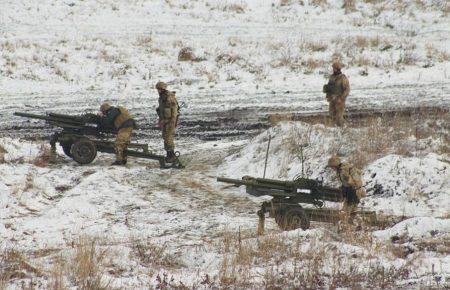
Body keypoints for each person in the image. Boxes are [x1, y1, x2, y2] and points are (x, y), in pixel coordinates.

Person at [155, 81, 179, 163]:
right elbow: (162, 110)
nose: (157, 91)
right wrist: (161, 120)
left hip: (170, 121)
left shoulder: (169, 97)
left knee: (168, 137)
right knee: (165, 137)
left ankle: (171, 156)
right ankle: (169, 155)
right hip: (165, 120)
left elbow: (174, 110)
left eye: (158, 89)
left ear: (161, 88)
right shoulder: (162, 97)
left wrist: (172, 121)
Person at [323, 61, 350, 127]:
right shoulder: (332, 77)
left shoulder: (342, 78)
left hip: (339, 100)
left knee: (339, 117)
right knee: (332, 115)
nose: (333, 69)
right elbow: (330, 87)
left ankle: (342, 130)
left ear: (337, 69)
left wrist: (341, 98)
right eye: (333, 68)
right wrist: (327, 95)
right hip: (332, 100)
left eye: (334, 68)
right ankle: (334, 130)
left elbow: (347, 89)